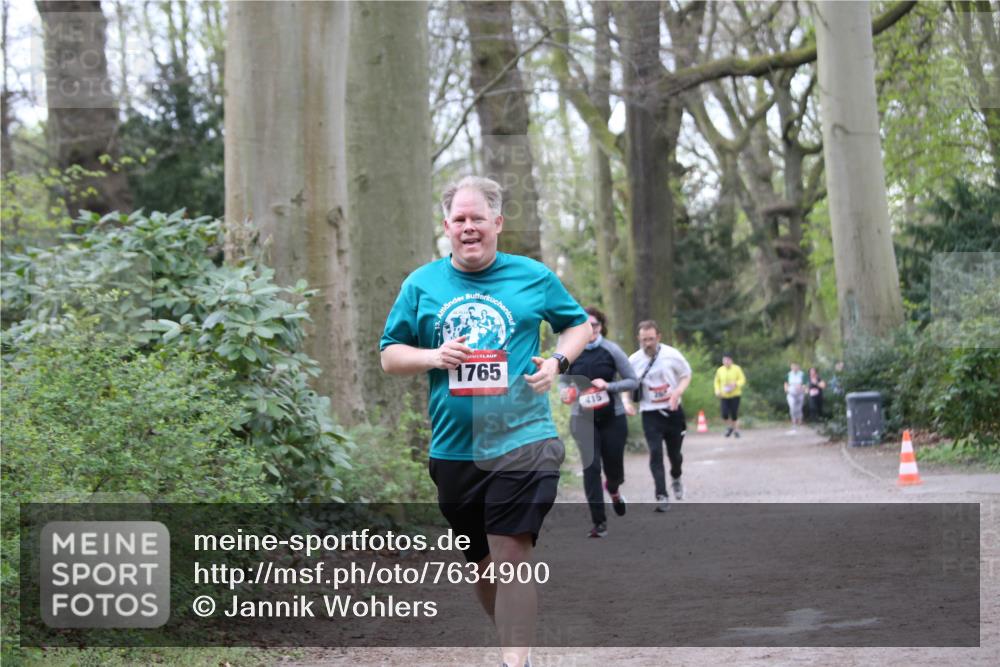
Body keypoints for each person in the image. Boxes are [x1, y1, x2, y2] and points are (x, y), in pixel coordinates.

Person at [380, 175, 590, 667]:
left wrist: (557, 363)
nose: (468, 227)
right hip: (454, 450)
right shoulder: (422, 284)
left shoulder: (532, 276)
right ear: (446, 226)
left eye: (478, 218)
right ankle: (514, 646)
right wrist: (433, 356)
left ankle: (514, 663)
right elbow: (390, 355)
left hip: (524, 439)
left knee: (510, 552)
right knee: (483, 565)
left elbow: (576, 324)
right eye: (459, 219)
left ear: (497, 223)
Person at [559, 306, 638, 538]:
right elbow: (563, 382)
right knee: (590, 468)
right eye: (586, 325)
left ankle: (613, 489)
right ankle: (599, 522)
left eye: (595, 325)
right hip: (582, 418)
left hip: (612, 417)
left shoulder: (611, 350)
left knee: (613, 469)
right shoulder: (571, 351)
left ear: (601, 327)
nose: (591, 329)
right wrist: (567, 392)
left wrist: (609, 386)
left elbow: (633, 381)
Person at [625, 320, 692, 512]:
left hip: (673, 412)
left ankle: (676, 477)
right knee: (655, 453)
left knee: (675, 455)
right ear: (639, 339)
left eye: (651, 339)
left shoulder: (672, 355)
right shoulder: (634, 360)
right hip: (650, 413)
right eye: (644, 339)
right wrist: (627, 402)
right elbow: (626, 384)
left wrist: (677, 392)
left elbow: (686, 375)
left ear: (658, 337)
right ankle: (661, 495)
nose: (648, 343)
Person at [713, 353, 746, 438]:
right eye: (724, 360)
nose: (726, 362)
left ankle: (736, 431)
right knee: (724, 414)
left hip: (735, 395)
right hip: (724, 395)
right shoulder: (720, 370)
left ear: (731, 360)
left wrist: (735, 384)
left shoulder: (737, 369)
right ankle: (730, 427)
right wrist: (717, 390)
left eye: (727, 360)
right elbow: (716, 381)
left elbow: (742, 379)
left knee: (734, 413)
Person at [784, 362, 805, 433]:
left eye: (796, 366)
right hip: (791, 392)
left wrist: (803, 388)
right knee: (792, 406)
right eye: (793, 366)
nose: (794, 368)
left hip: (800, 392)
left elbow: (805, 383)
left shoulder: (802, 374)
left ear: (798, 367)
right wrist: (786, 390)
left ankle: (800, 419)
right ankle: (794, 419)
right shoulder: (788, 374)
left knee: (799, 407)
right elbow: (786, 383)